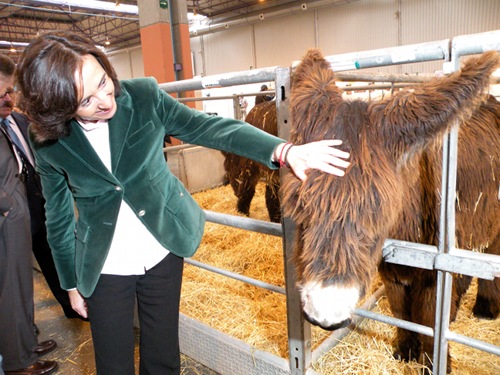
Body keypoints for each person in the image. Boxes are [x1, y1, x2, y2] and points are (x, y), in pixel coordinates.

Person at [16, 30, 350, 375]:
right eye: (85, 101)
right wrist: (69, 284)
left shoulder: (143, 97)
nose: (105, 100)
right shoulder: (49, 141)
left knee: (162, 355)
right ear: (57, 111)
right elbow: (55, 214)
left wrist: (283, 150)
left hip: (162, 244)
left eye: (103, 81)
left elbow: (207, 127)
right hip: (103, 263)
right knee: (113, 363)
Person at [0, 55, 58, 375]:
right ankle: (18, 363)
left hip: (17, 216)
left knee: (23, 285)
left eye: (11, 91)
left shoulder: (7, 120)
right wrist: (8, 204)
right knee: (10, 290)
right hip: (6, 219)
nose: (10, 98)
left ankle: (25, 344)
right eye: (4, 91)